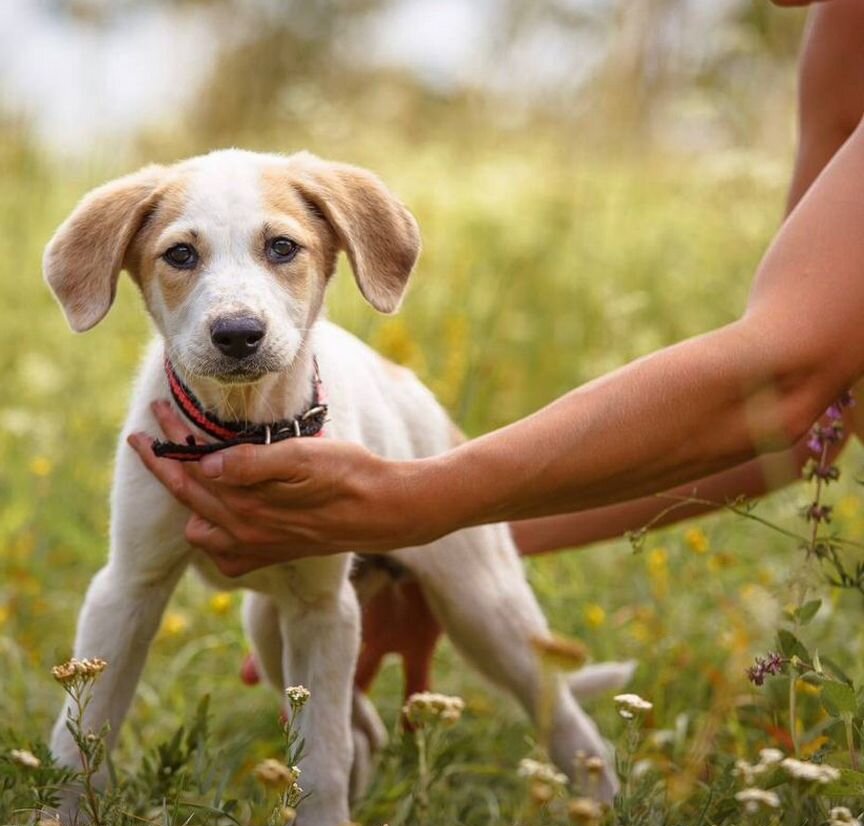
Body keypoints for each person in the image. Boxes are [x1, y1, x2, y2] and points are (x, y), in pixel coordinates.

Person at [129, 0, 864, 578]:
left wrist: (414, 505)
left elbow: (786, 379)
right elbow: (816, 419)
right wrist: (432, 554)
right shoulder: (844, 25)